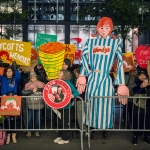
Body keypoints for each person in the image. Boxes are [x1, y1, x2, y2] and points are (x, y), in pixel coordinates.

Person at [76, 17, 129, 136]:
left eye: (107, 28)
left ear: (111, 29)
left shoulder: (115, 43)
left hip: (105, 78)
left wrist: (121, 83)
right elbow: (84, 57)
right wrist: (82, 75)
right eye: (101, 28)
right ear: (97, 29)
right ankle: (92, 129)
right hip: (93, 78)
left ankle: (105, 130)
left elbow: (120, 61)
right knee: (91, 104)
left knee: (106, 104)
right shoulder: (90, 42)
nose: (104, 30)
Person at [53, 69, 79, 144]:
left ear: (64, 75)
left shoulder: (68, 83)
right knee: (60, 122)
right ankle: (60, 136)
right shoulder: (58, 82)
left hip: (66, 107)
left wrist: (73, 95)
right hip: (59, 106)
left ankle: (65, 138)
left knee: (64, 123)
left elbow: (77, 92)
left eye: (60, 72)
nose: (58, 73)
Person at [0, 62, 21, 144]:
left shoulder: (15, 79)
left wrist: (14, 67)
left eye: (10, 71)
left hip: (14, 100)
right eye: (7, 71)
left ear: (12, 72)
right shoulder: (3, 78)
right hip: (4, 100)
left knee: (14, 119)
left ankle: (14, 135)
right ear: (5, 72)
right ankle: (8, 136)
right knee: (6, 120)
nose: (9, 72)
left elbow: (18, 76)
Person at [22, 71, 45, 139]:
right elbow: (23, 92)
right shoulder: (27, 85)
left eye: (34, 77)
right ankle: (29, 131)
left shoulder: (41, 84)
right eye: (32, 78)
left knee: (38, 119)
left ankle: (37, 131)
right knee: (29, 119)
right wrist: (32, 91)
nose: (34, 79)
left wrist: (37, 88)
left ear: (37, 77)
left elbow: (46, 88)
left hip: (39, 103)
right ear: (30, 78)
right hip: (30, 104)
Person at [132, 69, 150, 145]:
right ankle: (135, 137)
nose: (142, 77)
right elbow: (134, 89)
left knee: (148, 122)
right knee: (137, 121)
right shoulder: (135, 82)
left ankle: (146, 137)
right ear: (138, 76)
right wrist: (141, 86)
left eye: (144, 75)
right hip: (139, 105)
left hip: (148, 106)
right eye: (141, 75)